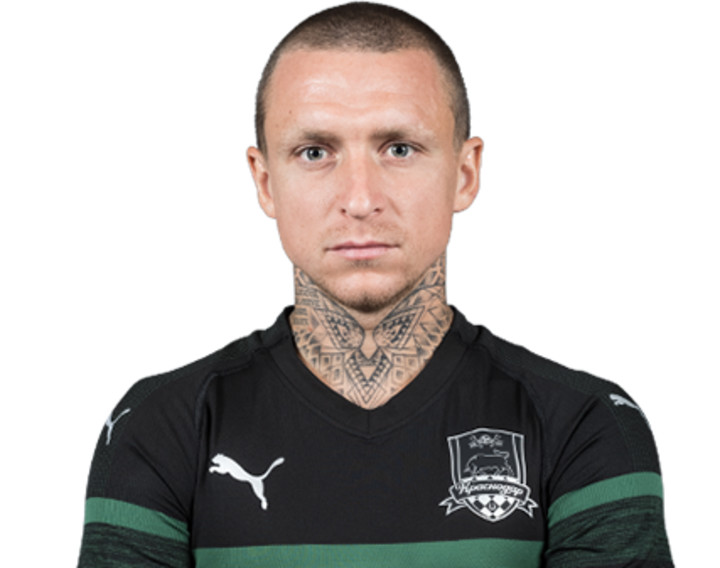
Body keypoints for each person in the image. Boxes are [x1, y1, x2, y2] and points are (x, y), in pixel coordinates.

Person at [77, 2, 673, 566]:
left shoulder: (584, 426)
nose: (360, 199)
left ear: (465, 173)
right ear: (265, 181)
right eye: (315, 152)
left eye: (399, 148)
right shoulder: (162, 426)